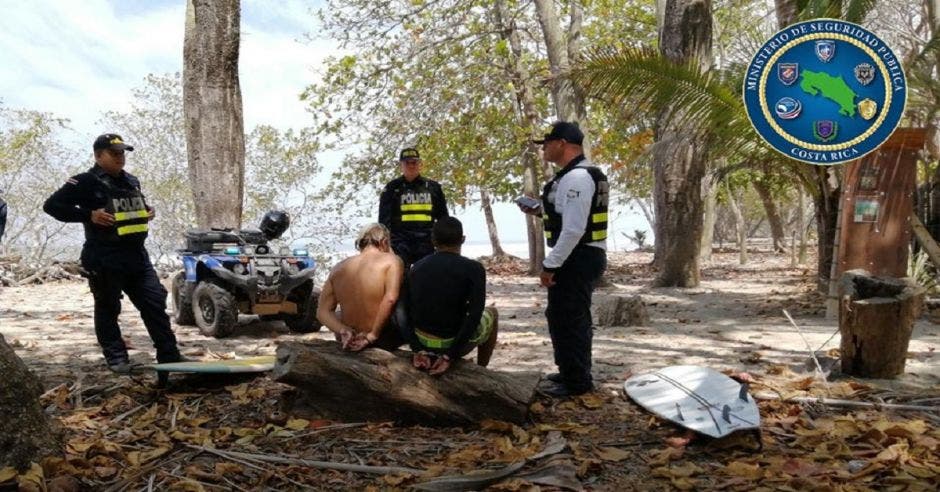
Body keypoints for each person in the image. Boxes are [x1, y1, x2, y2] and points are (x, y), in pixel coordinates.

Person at [43, 133, 184, 373]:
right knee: (108, 308)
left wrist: (147, 211)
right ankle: (117, 358)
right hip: (104, 256)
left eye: (122, 153)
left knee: (154, 304)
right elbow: (52, 206)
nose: (120, 157)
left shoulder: (131, 181)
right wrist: (88, 215)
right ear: (99, 156)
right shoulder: (85, 181)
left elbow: (132, 208)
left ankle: (169, 355)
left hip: (137, 256)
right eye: (114, 153)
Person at [519, 121, 608, 397]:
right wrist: (538, 211)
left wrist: (550, 265)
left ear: (563, 143)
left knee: (571, 318)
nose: (543, 148)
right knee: (561, 316)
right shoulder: (572, 177)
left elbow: (573, 230)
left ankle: (578, 382)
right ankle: (569, 371)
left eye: (547, 143)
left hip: (578, 257)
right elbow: (568, 218)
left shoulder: (578, 178)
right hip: (578, 254)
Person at [402, 217, 498, 376]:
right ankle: (482, 370)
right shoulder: (474, 269)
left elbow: (403, 311)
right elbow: (475, 314)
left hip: (422, 341)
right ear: (463, 240)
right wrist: (449, 355)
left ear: (433, 240)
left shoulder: (416, 268)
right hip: (452, 344)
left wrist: (417, 349)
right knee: (492, 313)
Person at [317, 223, 406, 351]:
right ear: (384, 242)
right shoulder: (392, 261)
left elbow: (322, 312)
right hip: (382, 338)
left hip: (351, 337)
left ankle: (348, 333)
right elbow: (390, 299)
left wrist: (342, 330)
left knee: (337, 313)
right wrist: (372, 335)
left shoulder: (338, 268)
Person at [378, 147, 449, 268]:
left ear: (420, 164)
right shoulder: (391, 188)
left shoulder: (433, 188)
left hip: (427, 243)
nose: (411, 166)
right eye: (407, 163)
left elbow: (443, 218)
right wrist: (386, 246)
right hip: (400, 244)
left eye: (414, 162)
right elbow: (384, 221)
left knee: (426, 279)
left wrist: (444, 244)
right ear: (401, 165)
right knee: (401, 280)